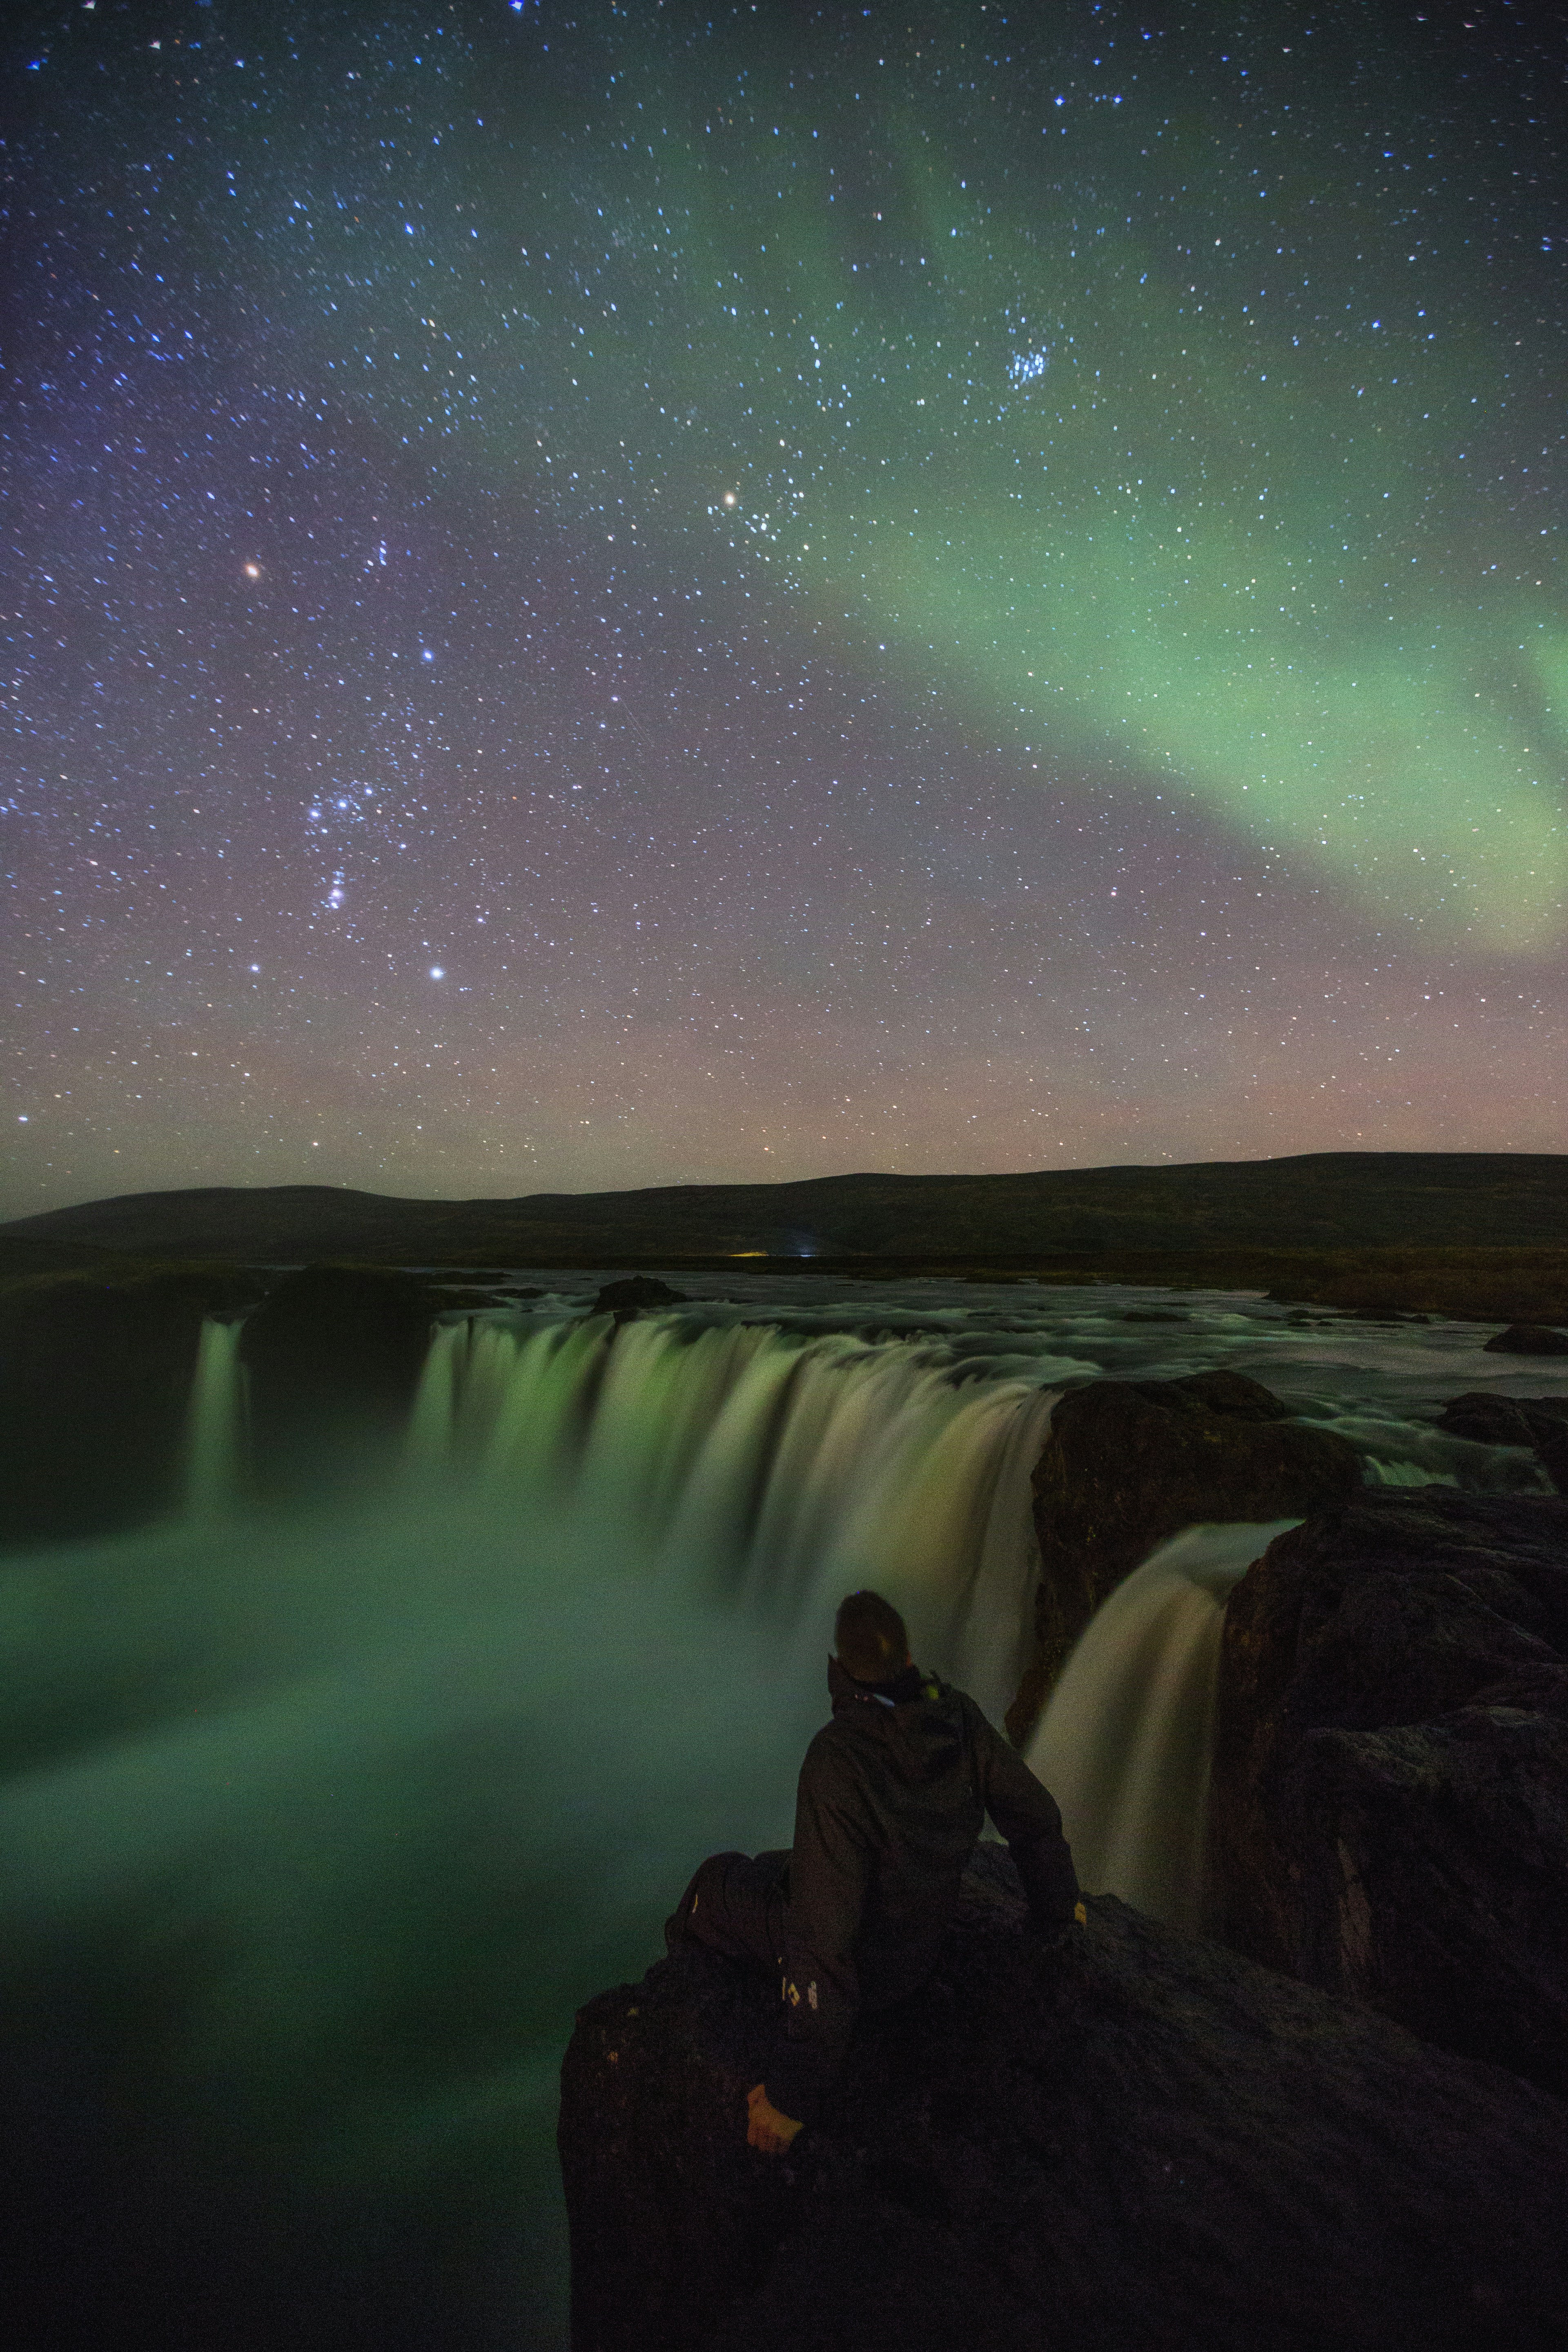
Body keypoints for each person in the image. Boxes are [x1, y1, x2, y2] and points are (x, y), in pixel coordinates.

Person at [665, 1588, 1084, 2155]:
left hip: (873, 1979)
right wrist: (1060, 1905)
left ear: (837, 1669)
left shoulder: (838, 1759)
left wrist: (792, 2098)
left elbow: (824, 1939)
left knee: (714, 1884)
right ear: (908, 1661)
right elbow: (1035, 1819)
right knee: (778, 1866)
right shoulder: (957, 1715)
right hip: (921, 1951)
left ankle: (675, 2007)